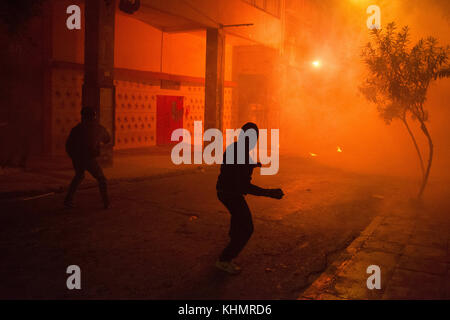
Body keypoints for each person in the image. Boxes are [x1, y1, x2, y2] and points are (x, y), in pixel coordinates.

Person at [215, 122, 284, 274]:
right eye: (253, 138)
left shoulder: (236, 147)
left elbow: (233, 168)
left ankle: (232, 242)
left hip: (224, 190)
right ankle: (224, 259)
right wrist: (270, 193)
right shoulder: (242, 153)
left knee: (237, 218)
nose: (255, 141)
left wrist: (251, 164)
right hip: (230, 194)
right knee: (247, 228)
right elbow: (244, 186)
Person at [64, 107, 111, 209]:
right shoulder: (98, 128)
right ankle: (106, 202)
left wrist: (73, 156)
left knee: (79, 176)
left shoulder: (76, 129)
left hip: (77, 158)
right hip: (89, 159)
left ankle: (68, 199)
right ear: (93, 116)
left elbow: (68, 145)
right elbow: (107, 139)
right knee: (101, 179)